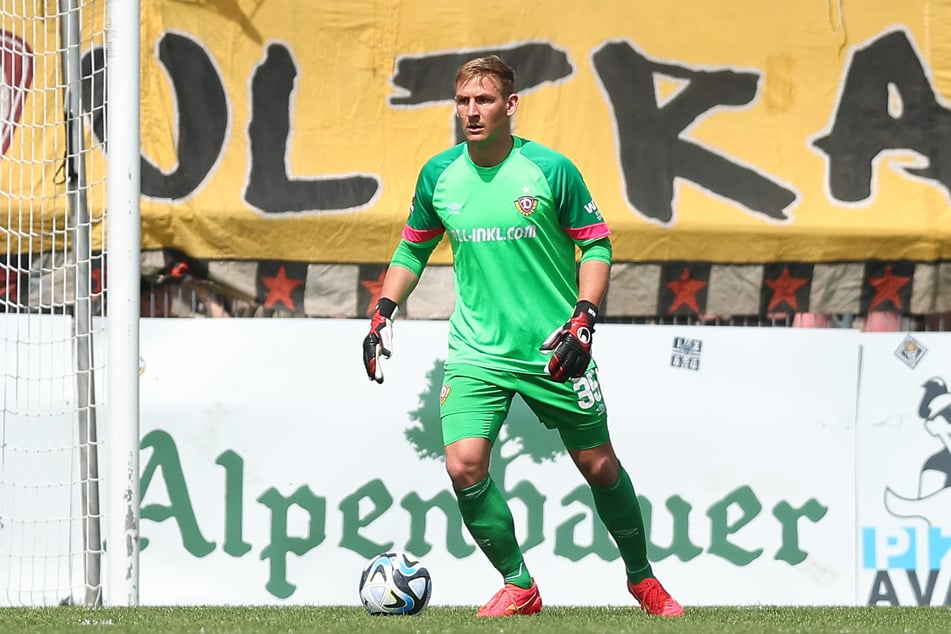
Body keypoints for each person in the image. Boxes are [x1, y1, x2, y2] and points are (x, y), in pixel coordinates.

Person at [362, 55, 683, 618]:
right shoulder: (439, 175)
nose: (471, 112)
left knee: (600, 467)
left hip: (554, 348)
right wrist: (381, 312)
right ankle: (519, 584)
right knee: (463, 466)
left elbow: (596, 244)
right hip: (476, 351)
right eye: (463, 101)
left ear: (509, 105)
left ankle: (642, 579)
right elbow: (413, 247)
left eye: (483, 100)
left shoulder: (551, 170)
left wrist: (584, 318)